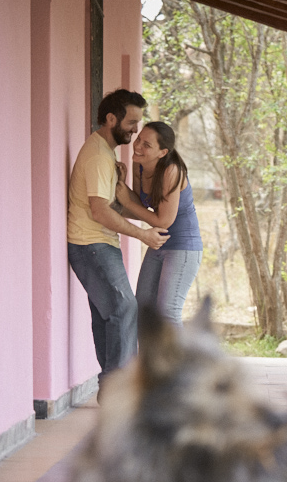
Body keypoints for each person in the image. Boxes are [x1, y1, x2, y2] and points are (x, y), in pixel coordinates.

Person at [67, 90, 168, 386]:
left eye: (138, 122)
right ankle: (120, 390)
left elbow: (111, 204)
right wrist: (142, 235)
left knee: (109, 314)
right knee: (125, 308)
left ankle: (113, 388)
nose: (135, 129)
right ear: (111, 119)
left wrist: (152, 220)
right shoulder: (98, 155)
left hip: (99, 245)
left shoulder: (105, 153)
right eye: (131, 122)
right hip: (92, 245)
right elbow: (99, 211)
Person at [114, 121, 203, 327]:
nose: (137, 147)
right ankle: (150, 360)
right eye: (139, 140)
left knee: (168, 313)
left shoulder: (172, 171)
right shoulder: (139, 164)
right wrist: (123, 189)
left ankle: (179, 361)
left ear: (162, 152)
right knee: (144, 309)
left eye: (147, 145)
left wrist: (126, 201)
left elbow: (163, 221)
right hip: (159, 244)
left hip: (183, 247)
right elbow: (140, 207)